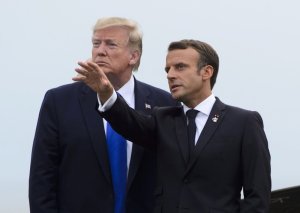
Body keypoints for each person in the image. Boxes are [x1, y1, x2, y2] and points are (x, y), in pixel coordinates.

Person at [73, 39, 272, 212]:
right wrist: (106, 93)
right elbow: (129, 123)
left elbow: (257, 196)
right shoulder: (162, 118)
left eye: (180, 67)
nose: (170, 75)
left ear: (206, 72)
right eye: (168, 69)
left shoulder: (244, 123)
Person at [29, 17, 178, 213]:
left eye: (111, 44)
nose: (100, 50)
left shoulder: (164, 103)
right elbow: (42, 178)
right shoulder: (59, 101)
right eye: (96, 43)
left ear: (133, 56)